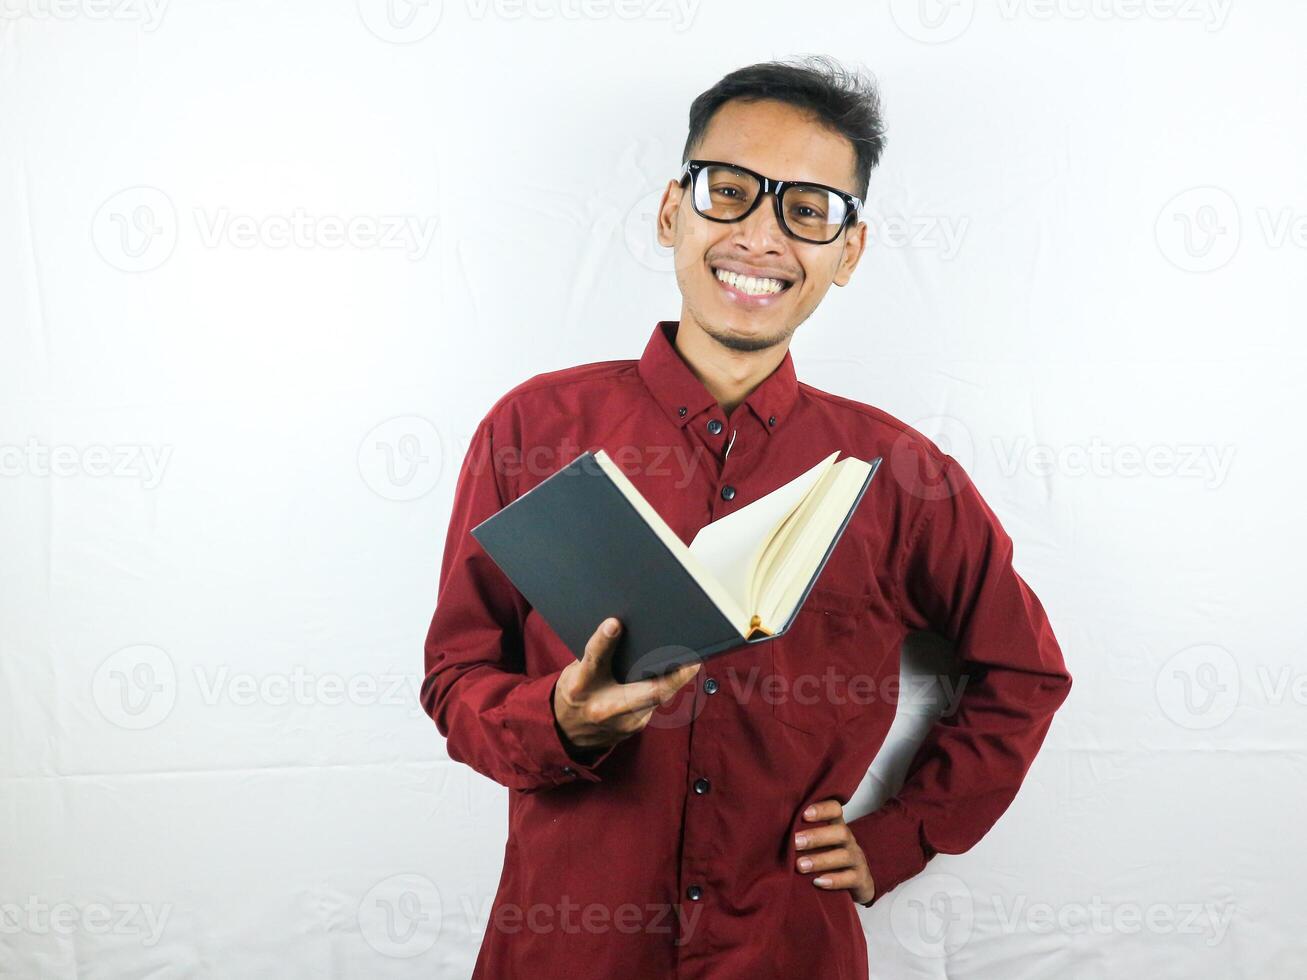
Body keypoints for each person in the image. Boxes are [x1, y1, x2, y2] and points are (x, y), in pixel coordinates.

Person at [420, 55, 1073, 980]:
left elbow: (1024, 669)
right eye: (728, 192)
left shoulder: (899, 474)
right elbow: (454, 677)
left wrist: (900, 837)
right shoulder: (535, 430)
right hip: (565, 948)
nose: (761, 235)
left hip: (784, 948)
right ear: (670, 213)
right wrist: (558, 723)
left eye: (807, 210)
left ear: (846, 254)